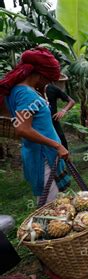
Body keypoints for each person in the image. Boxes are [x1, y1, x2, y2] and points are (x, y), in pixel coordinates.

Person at [0, 47, 71, 203]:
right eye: (48, 79)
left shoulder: (21, 90)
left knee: (54, 204)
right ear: (39, 74)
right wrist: (57, 145)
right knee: (49, 208)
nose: (49, 83)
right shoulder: (25, 93)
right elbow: (22, 128)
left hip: (43, 154)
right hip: (42, 156)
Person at [45, 83, 75, 149]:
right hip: (39, 123)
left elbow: (71, 101)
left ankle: (65, 158)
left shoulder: (52, 88)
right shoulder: (32, 90)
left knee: (61, 141)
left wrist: (63, 111)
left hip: (53, 121)